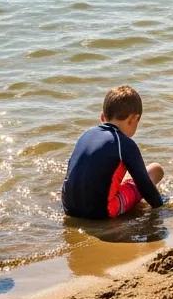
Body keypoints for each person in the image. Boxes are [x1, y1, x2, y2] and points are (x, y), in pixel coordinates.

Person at [61, 85, 165, 220]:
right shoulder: (125, 144)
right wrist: (161, 209)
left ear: (102, 117)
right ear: (133, 119)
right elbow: (145, 185)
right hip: (102, 212)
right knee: (156, 170)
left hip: (69, 207)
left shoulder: (86, 135)